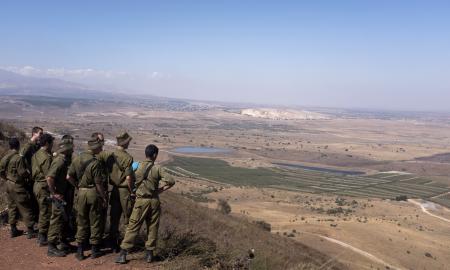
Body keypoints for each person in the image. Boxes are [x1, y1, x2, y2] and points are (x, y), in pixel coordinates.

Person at [116, 144, 175, 264]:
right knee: (152, 227)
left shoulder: (136, 166)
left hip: (140, 201)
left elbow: (128, 178)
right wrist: (160, 190)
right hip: (153, 201)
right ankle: (149, 255)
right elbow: (171, 181)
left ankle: (123, 254)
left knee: (133, 227)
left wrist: (132, 190)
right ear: (154, 155)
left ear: (146, 154)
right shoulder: (157, 168)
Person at [67, 137, 108, 261]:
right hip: (93, 193)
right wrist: (104, 197)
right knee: (95, 221)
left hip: (81, 193)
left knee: (81, 221)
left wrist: (78, 186)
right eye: (100, 146)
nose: (101, 148)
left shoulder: (77, 158)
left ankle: (80, 251)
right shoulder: (95, 162)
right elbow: (98, 183)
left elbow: (69, 176)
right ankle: (94, 250)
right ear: (95, 148)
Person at [0, 138, 36, 238]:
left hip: (8, 184)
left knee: (12, 206)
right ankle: (30, 230)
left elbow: (1, 171)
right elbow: (22, 172)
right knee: (25, 207)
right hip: (18, 185)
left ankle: (13, 229)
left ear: (10, 146)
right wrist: (29, 175)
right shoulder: (18, 158)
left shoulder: (5, 157)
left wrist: (6, 178)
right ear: (18, 146)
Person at [46, 139, 74, 257]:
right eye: (71, 147)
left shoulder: (64, 160)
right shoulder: (59, 161)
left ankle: (62, 242)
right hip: (59, 195)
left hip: (63, 194)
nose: (73, 148)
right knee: (56, 219)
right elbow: (49, 178)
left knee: (62, 219)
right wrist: (54, 193)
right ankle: (51, 247)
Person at [107, 132, 135, 251]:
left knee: (114, 217)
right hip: (124, 191)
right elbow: (129, 178)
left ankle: (113, 243)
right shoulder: (128, 157)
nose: (129, 143)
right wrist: (132, 191)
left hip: (114, 190)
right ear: (125, 142)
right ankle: (126, 245)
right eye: (128, 141)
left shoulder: (110, 155)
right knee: (128, 218)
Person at [32, 133, 54, 246]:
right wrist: (53, 191)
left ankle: (42, 234)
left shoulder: (36, 154)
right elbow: (48, 176)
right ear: (47, 143)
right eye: (51, 143)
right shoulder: (46, 157)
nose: (53, 145)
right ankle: (42, 236)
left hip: (37, 185)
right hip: (43, 186)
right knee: (45, 211)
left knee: (43, 210)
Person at [20, 126, 43, 223]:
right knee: (31, 200)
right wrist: (26, 172)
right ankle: (32, 223)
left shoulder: (36, 146)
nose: (41, 136)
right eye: (40, 134)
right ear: (34, 134)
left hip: (35, 176)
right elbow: (20, 159)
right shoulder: (28, 146)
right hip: (29, 178)